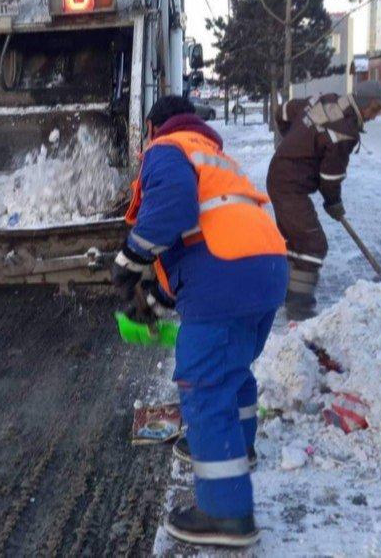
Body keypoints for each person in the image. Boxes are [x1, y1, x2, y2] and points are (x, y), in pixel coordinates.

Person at [111, 95, 288, 547]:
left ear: (152, 127)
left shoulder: (166, 149)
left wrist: (129, 261)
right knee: (233, 371)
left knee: (204, 387)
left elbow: (171, 210)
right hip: (265, 269)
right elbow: (202, 241)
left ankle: (226, 513)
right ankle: (238, 448)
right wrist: (154, 296)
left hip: (225, 273)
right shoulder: (215, 158)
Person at [266, 81, 381, 319]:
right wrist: (334, 203)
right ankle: (299, 306)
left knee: (297, 242)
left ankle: (284, 292)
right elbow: (330, 178)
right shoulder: (344, 132)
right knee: (313, 244)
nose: (376, 116)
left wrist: (294, 142)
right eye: (376, 110)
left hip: (282, 177)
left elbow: (283, 111)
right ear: (365, 104)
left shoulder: (325, 100)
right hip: (289, 186)